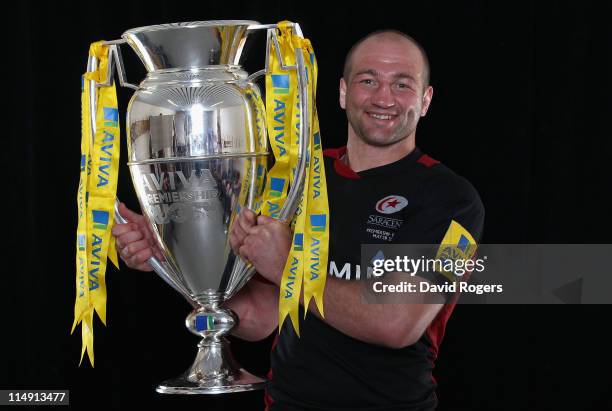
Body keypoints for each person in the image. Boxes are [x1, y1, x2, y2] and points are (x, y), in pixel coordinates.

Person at [113, 29, 484, 411]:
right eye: (368, 80)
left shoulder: (455, 201)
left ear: (425, 100)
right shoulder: (299, 180)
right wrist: (177, 254)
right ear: (342, 92)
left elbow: (397, 323)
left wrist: (290, 264)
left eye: (402, 84)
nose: (384, 97)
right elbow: (258, 318)